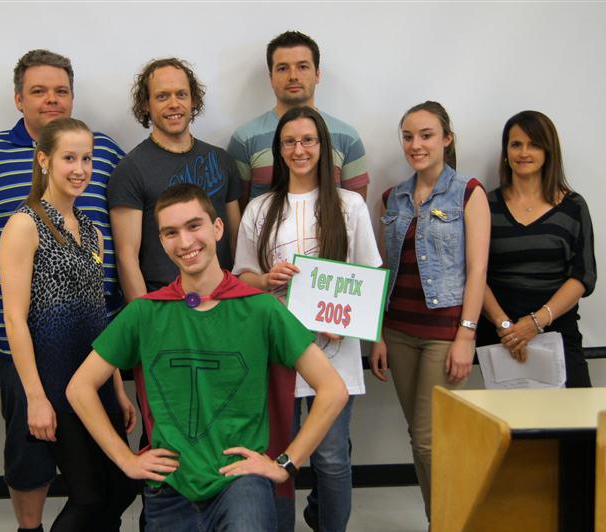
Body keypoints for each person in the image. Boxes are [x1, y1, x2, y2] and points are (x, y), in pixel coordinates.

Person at [68, 184, 348, 532]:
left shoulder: (261, 309)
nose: (185, 242)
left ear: (217, 228)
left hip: (240, 481)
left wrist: (285, 464)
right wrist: (125, 459)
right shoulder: (145, 313)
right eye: (171, 232)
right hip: (170, 486)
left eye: (194, 226)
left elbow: (333, 390)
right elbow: (79, 388)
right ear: (161, 240)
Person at [0, 49, 125, 531]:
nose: (51, 99)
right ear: (18, 98)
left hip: (89, 359)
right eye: (39, 90)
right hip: (29, 355)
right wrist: (37, 393)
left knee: (108, 482)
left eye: (61, 90)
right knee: (35, 462)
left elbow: (99, 306)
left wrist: (114, 383)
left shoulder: (95, 209)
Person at [233, 106, 381, 532]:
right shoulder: (260, 208)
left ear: (323, 147)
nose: (299, 150)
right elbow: (241, 277)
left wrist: (346, 321)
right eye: (289, 142)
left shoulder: (349, 205)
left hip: (335, 350)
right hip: (276, 350)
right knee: (280, 452)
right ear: (278, 150)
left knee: (332, 457)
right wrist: (264, 278)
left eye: (308, 140)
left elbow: (369, 278)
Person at [0, 118, 137, 531]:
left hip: (95, 379)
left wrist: (116, 387)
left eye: (87, 159)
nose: (80, 168)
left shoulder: (93, 231)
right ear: (44, 160)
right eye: (69, 158)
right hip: (56, 383)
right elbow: (14, 318)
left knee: (119, 487)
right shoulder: (25, 225)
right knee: (89, 495)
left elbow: (99, 320)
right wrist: (36, 398)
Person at [369, 101, 489, 520]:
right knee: (420, 438)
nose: (416, 144)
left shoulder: (469, 193)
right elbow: (382, 269)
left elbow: (477, 272)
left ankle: (451, 522)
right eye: (408, 136)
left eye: (426, 135)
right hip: (399, 332)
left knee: (428, 440)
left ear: (446, 139)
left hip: (444, 333)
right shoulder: (393, 197)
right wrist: (378, 333)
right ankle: (439, 519)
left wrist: (467, 335)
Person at [478, 111, 596, 387]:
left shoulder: (574, 206)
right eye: (515, 144)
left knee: (576, 424)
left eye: (534, 144)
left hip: (558, 332)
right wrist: (506, 326)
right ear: (505, 151)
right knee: (508, 427)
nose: (524, 152)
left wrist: (536, 322)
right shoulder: (485, 204)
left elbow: (583, 275)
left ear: (548, 150)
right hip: (501, 337)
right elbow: (474, 272)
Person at [108, 57, 242, 302]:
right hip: (166, 306)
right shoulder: (130, 170)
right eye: (162, 96)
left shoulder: (222, 160)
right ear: (146, 104)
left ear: (193, 100)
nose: (174, 104)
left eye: (181, 94)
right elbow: (126, 257)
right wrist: (145, 322)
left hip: (223, 302)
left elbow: (236, 241)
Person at [228, 30, 369, 207]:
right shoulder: (244, 139)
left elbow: (355, 211)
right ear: (271, 78)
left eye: (302, 66)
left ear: (317, 74)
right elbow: (239, 210)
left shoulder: (347, 137)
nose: (293, 76)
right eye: (283, 68)